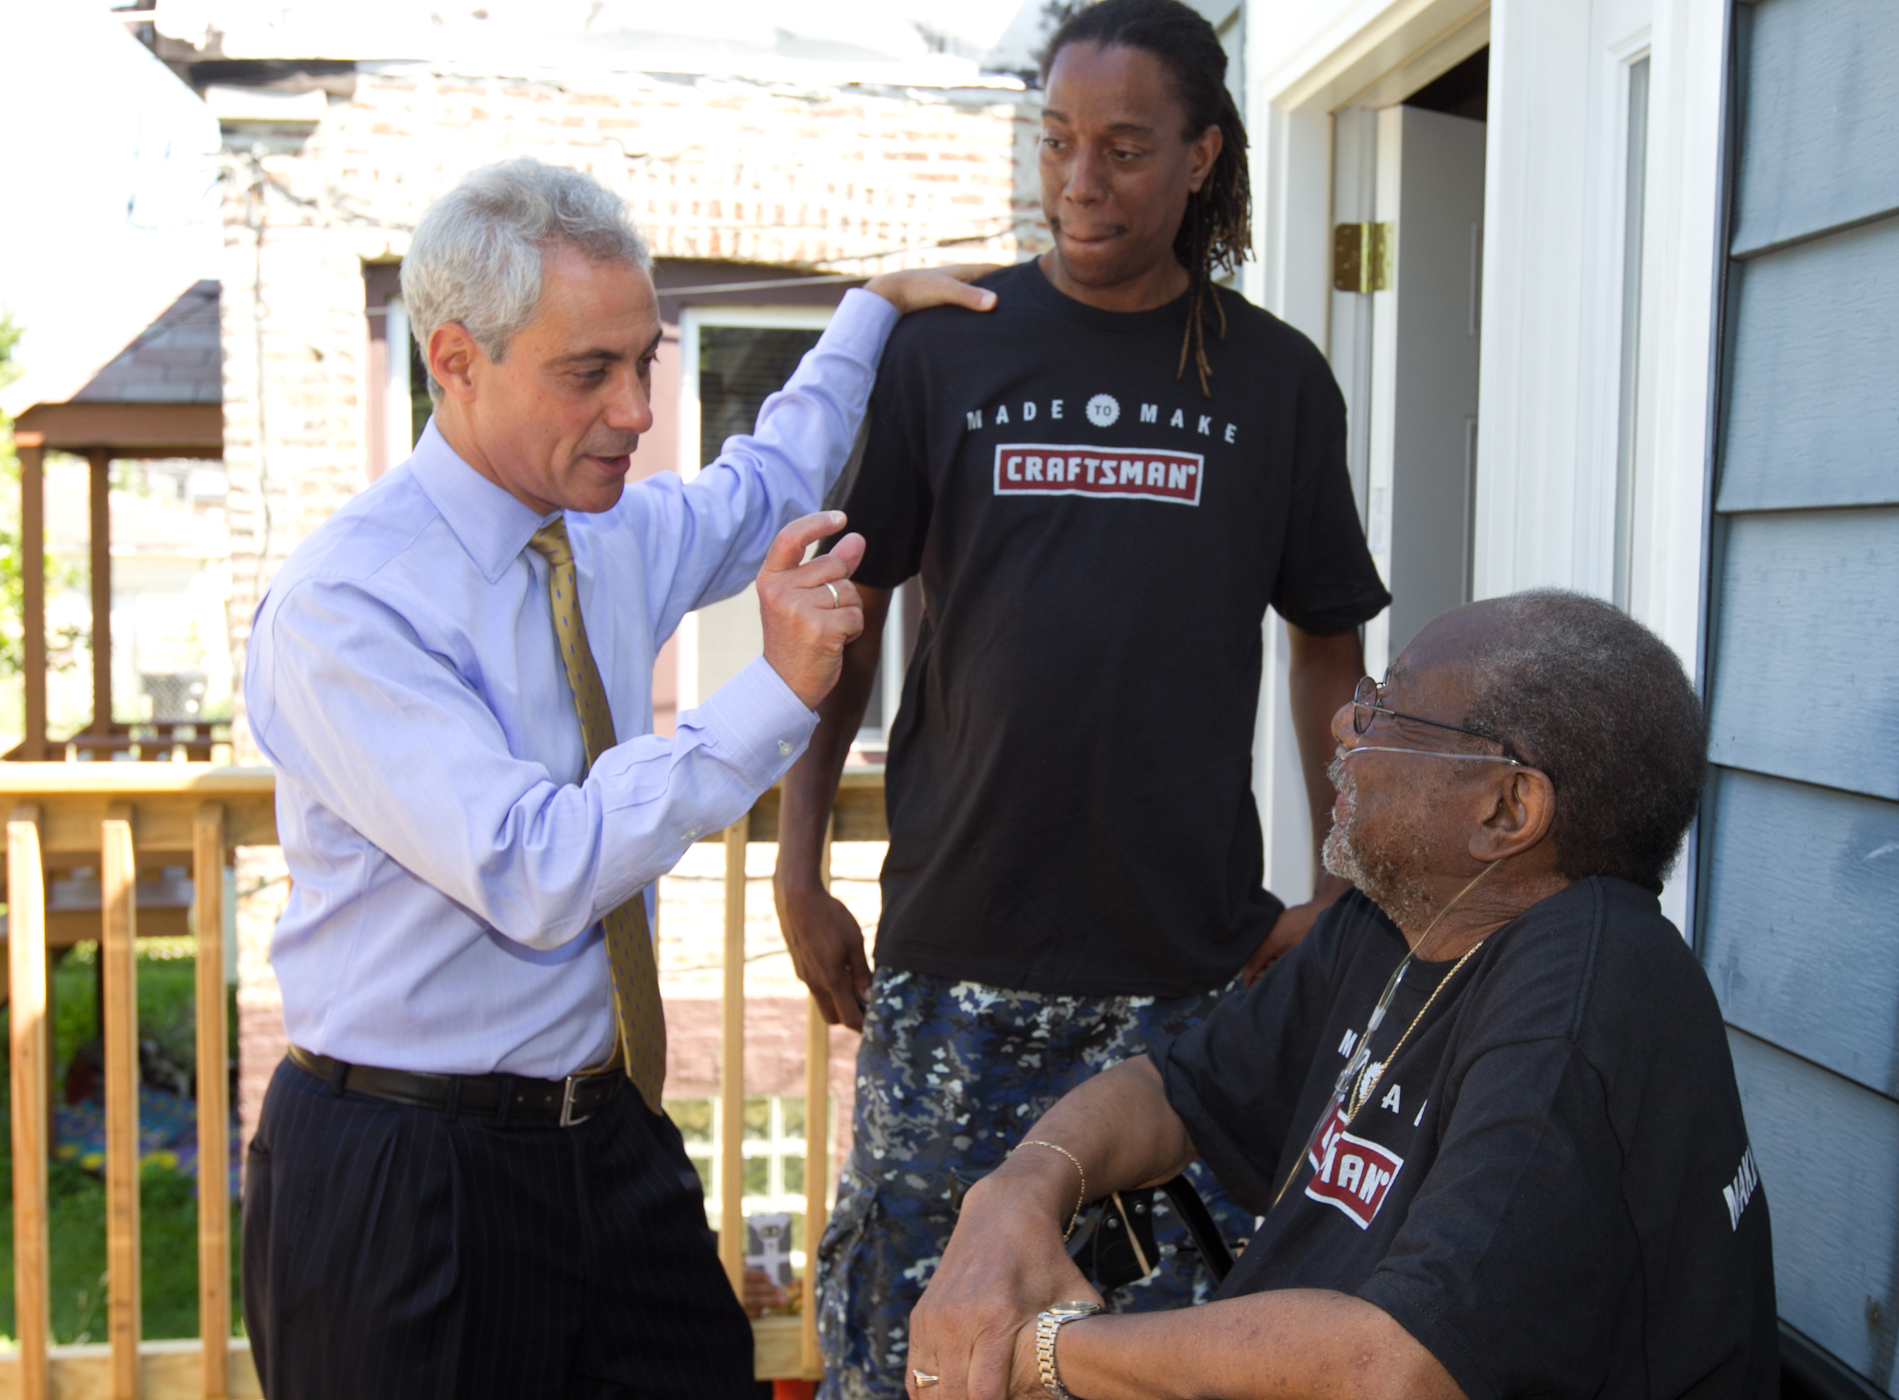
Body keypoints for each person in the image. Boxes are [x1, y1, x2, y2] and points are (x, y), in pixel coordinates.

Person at [240, 157, 993, 1400]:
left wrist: (867, 312)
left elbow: (768, 478)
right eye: (590, 372)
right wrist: (775, 692)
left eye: (643, 359)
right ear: (454, 360)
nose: (639, 408)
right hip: (406, 1173)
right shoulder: (347, 602)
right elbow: (534, 867)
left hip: (610, 1147)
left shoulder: (610, 532)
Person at [772, 2, 1391, 1391]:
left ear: (1201, 159)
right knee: (907, 1349)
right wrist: (798, 867)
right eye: (1058, 143)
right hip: (950, 970)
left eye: (1123, 148)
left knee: (1155, 1362)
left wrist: (1346, 884)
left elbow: (1328, 646)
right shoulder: (949, 352)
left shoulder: (1275, 379)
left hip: (1179, 991)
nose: (1082, 182)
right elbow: (843, 626)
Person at [910, 591, 1780, 1400]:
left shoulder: (1583, 1004)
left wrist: (1044, 1353)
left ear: (1507, 810)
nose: (1341, 724)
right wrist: (1019, 1191)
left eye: (1387, 711)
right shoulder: (1397, 920)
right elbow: (1173, 1091)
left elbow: (1398, 1368)